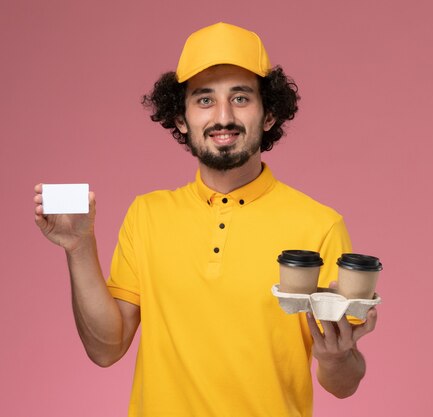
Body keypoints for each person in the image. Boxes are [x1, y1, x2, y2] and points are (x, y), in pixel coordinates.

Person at [33, 22, 377, 417]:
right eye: (204, 100)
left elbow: (344, 384)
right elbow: (105, 349)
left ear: (269, 115)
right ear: (181, 118)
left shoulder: (320, 225)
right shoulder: (147, 215)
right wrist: (79, 247)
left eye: (242, 98)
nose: (224, 117)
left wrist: (336, 359)